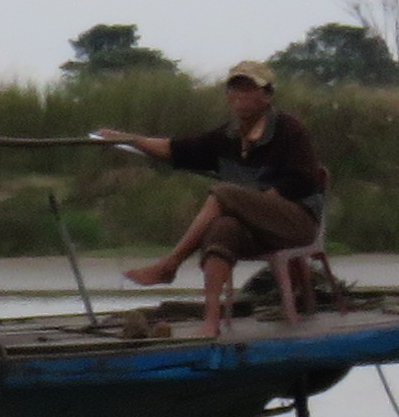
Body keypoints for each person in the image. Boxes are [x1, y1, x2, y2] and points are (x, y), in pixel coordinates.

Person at [94, 63, 329, 332]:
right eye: (234, 88)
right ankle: (211, 320)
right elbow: (175, 150)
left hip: (295, 222)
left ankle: (170, 264)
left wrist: (256, 204)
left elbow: (303, 180)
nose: (239, 95)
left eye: (248, 88)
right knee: (222, 228)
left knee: (225, 193)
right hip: (254, 228)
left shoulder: (289, 130)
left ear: (267, 95)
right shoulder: (226, 136)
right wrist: (127, 139)